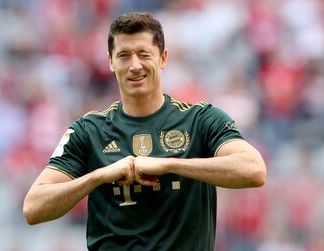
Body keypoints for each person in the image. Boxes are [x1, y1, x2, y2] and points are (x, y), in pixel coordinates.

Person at [23, 12, 266, 251]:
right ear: (110, 61)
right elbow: (33, 208)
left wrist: (169, 165)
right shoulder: (89, 131)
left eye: (143, 54)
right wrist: (98, 176)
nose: (135, 65)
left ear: (163, 57)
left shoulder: (200, 120)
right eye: (124, 55)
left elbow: (253, 170)